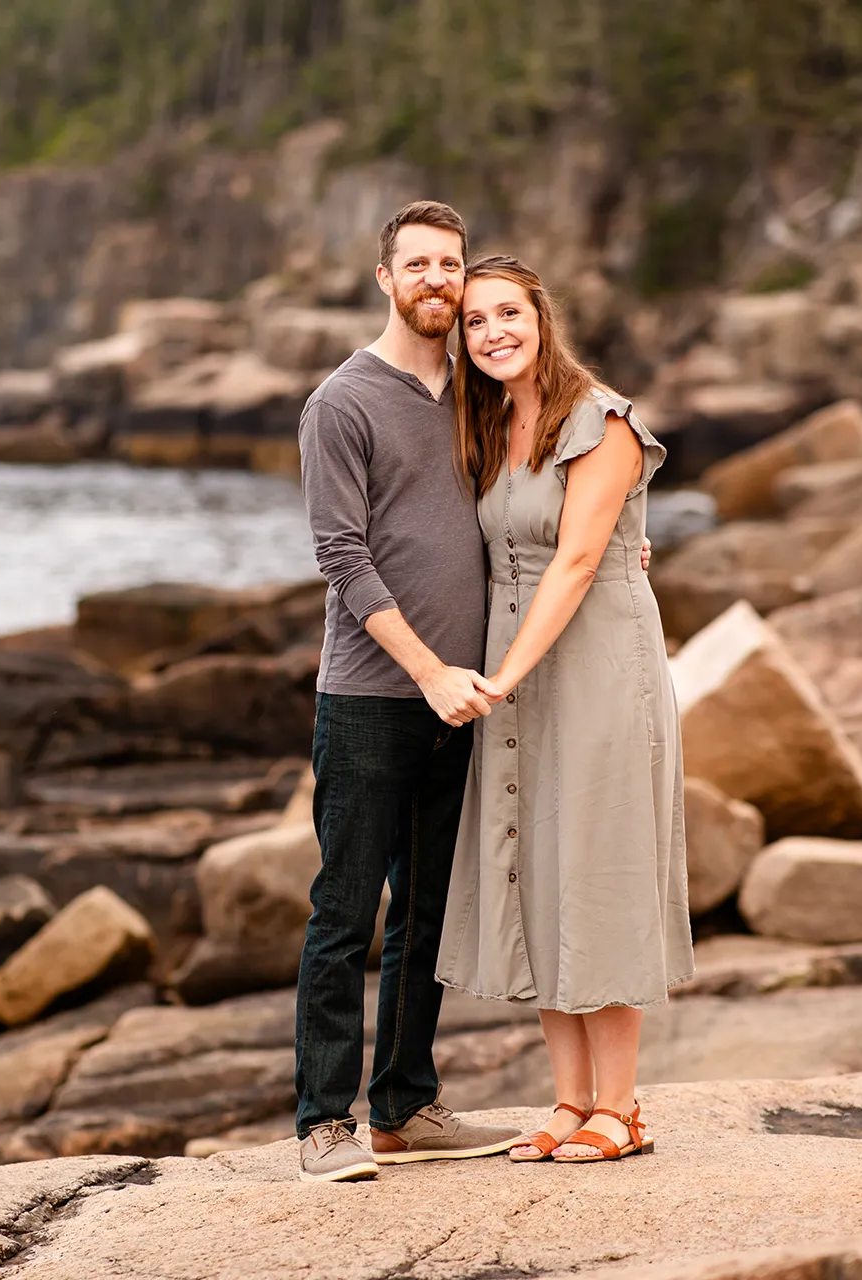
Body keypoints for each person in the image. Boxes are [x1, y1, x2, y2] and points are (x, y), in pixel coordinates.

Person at [294, 203, 652, 1183]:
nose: (438, 281)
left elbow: (559, 516)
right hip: (378, 691)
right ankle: (324, 1121)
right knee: (344, 908)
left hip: (474, 697)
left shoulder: (474, 397)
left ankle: (402, 1105)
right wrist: (428, 669)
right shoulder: (341, 402)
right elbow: (340, 554)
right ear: (385, 277)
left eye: (450, 264)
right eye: (418, 263)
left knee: (425, 913)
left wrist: (629, 541)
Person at [435, 253, 692, 1165]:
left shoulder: (601, 420)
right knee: (541, 866)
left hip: (592, 668)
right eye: (475, 321)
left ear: (541, 318)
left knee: (601, 868)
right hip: (522, 667)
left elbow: (580, 562)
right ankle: (570, 1098)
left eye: (508, 313)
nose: (494, 332)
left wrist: (500, 677)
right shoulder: (491, 420)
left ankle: (619, 1109)